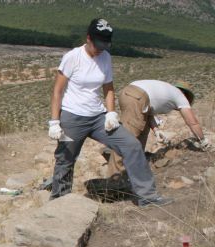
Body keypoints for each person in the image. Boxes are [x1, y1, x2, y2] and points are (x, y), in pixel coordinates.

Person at [48, 18, 172, 207]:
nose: (100, 49)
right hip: (72, 117)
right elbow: (57, 91)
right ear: (88, 38)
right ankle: (58, 203)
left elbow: (109, 88)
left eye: (104, 44)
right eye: (97, 44)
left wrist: (111, 113)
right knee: (65, 159)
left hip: (98, 117)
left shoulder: (105, 56)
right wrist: (55, 122)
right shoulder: (72, 57)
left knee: (131, 145)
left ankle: (147, 196)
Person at [106, 80, 211, 176]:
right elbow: (192, 123)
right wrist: (202, 140)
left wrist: (156, 130)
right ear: (186, 95)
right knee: (127, 140)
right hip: (137, 97)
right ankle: (113, 180)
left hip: (132, 95)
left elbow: (148, 113)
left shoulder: (168, 92)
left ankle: (129, 174)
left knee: (140, 135)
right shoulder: (181, 96)